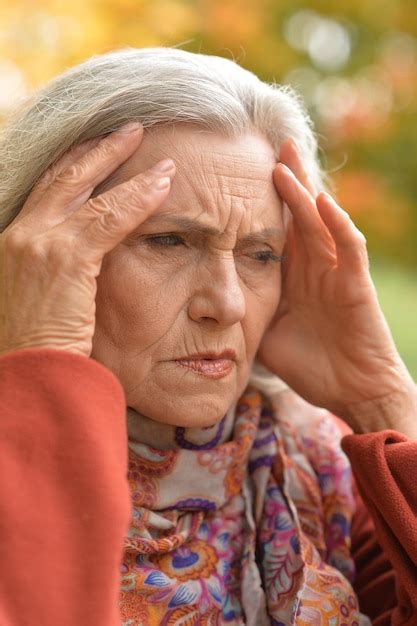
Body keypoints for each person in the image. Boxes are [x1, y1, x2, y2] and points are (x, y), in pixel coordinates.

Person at [0, 47, 416, 626]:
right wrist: (40, 365)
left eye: (261, 254)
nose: (227, 303)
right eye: (169, 241)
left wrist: (384, 401)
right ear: (37, 249)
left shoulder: (316, 466)